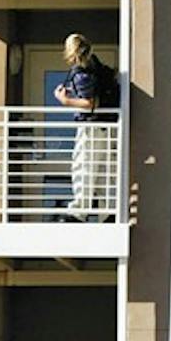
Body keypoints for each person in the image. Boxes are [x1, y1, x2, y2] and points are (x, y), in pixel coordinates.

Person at [53, 34, 109, 217]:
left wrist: (66, 100)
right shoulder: (95, 67)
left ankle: (79, 210)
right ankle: (105, 212)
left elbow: (90, 103)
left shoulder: (81, 73)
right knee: (100, 170)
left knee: (82, 165)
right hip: (103, 126)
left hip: (90, 126)